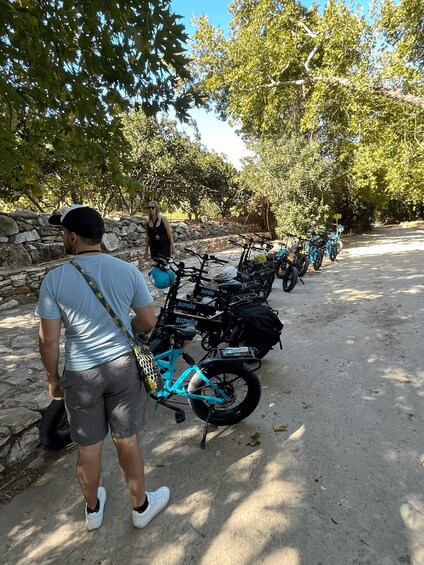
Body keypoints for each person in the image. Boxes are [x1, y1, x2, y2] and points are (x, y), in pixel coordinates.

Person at [36, 204, 170, 531]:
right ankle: (140, 507)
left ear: (71, 236)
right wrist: (130, 328)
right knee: (127, 441)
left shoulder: (54, 280)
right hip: (123, 366)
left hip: (81, 375)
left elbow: (49, 342)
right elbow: (149, 321)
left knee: (88, 447)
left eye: (63, 233)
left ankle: (93, 511)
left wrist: (53, 380)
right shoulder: (126, 271)